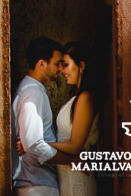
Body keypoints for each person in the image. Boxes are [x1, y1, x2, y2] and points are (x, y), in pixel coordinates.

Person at [12, 37, 80, 196]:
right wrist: (71, 161)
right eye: (57, 64)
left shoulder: (29, 89)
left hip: (35, 182)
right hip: (36, 185)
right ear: (41, 64)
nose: (60, 69)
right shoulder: (33, 93)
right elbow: (33, 144)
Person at [50, 41, 103, 195]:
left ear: (81, 66)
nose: (61, 70)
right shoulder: (77, 98)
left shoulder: (86, 98)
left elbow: (75, 146)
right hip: (69, 179)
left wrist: (39, 146)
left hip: (78, 181)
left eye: (66, 65)